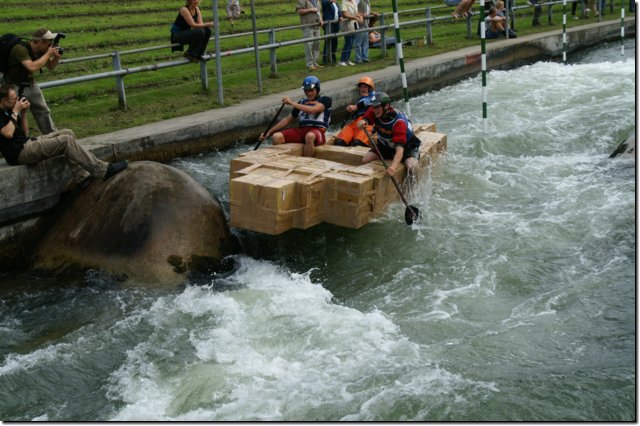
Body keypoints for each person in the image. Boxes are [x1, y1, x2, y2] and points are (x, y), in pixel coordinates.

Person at [0, 85, 128, 188]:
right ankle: (102, 170)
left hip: (26, 143)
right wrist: (16, 111)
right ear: (4, 101)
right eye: (14, 99)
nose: (17, 100)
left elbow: (25, 134)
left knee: (68, 132)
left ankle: (81, 176)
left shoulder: (9, 111)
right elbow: (8, 133)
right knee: (65, 141)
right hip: (19, 154)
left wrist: (23, 113)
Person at [2, 28, 61, 136]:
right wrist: (48, 54)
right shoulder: (20, 49)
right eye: (48, 44)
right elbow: (31, 67)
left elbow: (51, 66)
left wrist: (56, 57)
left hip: (30, 83)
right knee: (16, 114)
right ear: (40, 42)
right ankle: (18, 142)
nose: (50, 46)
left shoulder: (41, 51)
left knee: (43, 110)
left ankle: (53, 136)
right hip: (14, 86)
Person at [259, 76, 332, 157]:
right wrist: (269, 132)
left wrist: (291, 103)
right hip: (301, 131)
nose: (309, 93)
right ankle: (280, 161)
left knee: (309, 136)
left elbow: (313, 110)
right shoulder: (301, 102)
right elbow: (287, 119)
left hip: (318, 131)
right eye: (306, 90)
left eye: (311, 90)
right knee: (276, 137)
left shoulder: (325, 100)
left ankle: (306, 163)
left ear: (317, 89)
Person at [356, 92, 421, 177]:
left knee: (411, 166)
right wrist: (362, 123)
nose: (374, 110)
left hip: (406, 148)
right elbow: (364, 120)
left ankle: (414, 188)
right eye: (373, 107)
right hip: (385, 146)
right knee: (365, 160)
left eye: (377, 107)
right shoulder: (374, 111)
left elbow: (400, 150)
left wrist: (392, 167)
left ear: (386, 106)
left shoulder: (399, 123)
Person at [334, 76, 376, 147]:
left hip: (368, 123)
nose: (362, 89)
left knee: (358, 143)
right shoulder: (360, 99)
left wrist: (356, 106)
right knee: (339, 141)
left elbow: (369, 102)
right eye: (361, 87)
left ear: (370, 88)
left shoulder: (374, 95)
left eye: (365, 87)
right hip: (356, 123)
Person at [297, 0, 324, 71]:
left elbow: (318, 11)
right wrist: (310, 10)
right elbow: (299, 11)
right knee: (309, 45)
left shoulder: (317, 1)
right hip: (308, 26)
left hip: (317, 25)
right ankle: (309, 64)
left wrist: (321, 19)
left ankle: (315, 62)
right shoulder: (302, 0)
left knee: (316, 44)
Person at [338, 0, 361, 66]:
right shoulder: (344, 2)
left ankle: (347, 59)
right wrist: (355, 17)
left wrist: (359, 16)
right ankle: (342, 60)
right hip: (347, 25)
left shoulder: (353, 1)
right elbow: (345, 14)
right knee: (348, 42)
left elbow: (355, 12)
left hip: (354, 24)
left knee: (351, 43)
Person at [321, 0, 341, 65]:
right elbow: (323, 3)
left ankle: (333, 58)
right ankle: (325, 59)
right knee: (328, 40)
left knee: (335, 41)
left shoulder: (336, 2)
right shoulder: (326, 1)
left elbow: (338, 10)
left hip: (336, 23)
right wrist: (331, 1)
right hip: (329, 24)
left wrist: (340, 16)